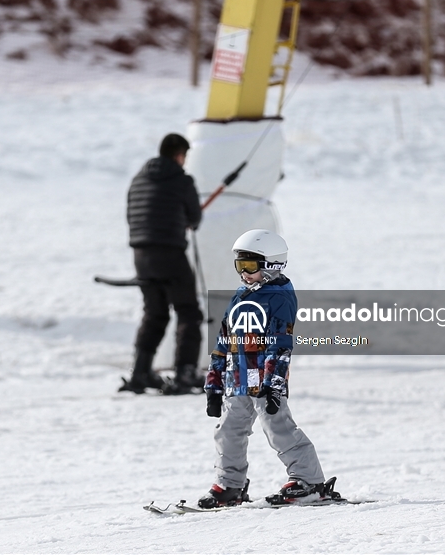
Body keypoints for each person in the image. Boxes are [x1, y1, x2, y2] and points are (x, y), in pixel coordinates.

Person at [198, 229, 337, 508]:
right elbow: (223, 339)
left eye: (249, 266)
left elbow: (280, 344)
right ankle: (230, 485)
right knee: (228, 431)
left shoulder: (279, 297)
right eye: (239, 266)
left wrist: (273, 385)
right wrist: (213, 384)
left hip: (263, 380)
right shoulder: (241, 295)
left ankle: (309, 481)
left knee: (279, 428)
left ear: (272, 266)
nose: (243, 274)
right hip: (237, 379)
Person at [120, 133, 204, 395]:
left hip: (141, 255)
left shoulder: (138, 179)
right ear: (179, 154)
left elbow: (132, 215)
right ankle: (185, 372)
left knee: (155, 313)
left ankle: (141, 372)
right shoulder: (182, 180)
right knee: (188, 311)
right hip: (170, 254)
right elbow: (195, 217)